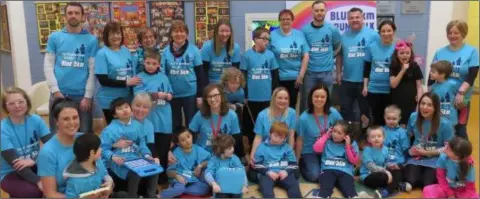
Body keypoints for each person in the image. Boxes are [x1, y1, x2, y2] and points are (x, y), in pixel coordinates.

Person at [38, 98, 113, 198]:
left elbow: (103, 173)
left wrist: (109, 182)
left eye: (75, 117)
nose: (72, 122)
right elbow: (50, 194)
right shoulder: (48, 152)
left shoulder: (86, 140)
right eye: (66, 119)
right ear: (56, 121)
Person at [44, 2, 98, 133]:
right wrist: (55, 91)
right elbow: (48, 66)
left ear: (82, 16)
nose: (73, 16)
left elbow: (92, 70)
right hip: (59, 95)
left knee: (84, 137)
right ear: (65, 16)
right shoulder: (54, 37)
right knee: (57, 135)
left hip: (82, 97)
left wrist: (88, 96)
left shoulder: (91, 40)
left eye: (76, 13)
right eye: (70, 13)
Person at [99, 98, 158, 198]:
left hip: (136, 159)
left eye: (126, 107)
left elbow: (143, 144)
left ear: (131, 109)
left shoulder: (137, 126)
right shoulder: (109, 130)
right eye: (120, 109)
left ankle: (151, 195)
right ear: (114, 115)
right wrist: (113, 157)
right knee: (135, 173)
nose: (125, 110)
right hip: (120, 162)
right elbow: (102, 149)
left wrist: (147, 154)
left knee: (155, 167)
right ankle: (132, 196)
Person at [431, 20, 479, 139]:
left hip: (461, 99)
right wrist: (429, 95)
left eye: (456, 33)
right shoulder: (440, 52)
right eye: (450, 33)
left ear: (463, 33)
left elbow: (472, 75)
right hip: (441, 99)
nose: (452, 36)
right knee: (441, 128)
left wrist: (461, 92)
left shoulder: (471, 51)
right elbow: (432, 75)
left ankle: (464, 156)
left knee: (460, 129)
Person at [1, 87, 52, 198]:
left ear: (27, 102)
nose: (17, 106)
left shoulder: (36, 120)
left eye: (20, 101)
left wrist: (35, 160)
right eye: (11, 103)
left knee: (58, 181)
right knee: (34, 192)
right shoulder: (2, 129)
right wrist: (38, 181)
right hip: (11, 172)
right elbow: (15, 164)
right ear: (5, 106)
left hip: (34, 165)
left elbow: (52, 146)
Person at [133, 50, 173, 184]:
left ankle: (162, 177)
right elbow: (138, 96)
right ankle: (147, 179)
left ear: (159, 64)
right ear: (143, 62)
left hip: (164, 119)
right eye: (148, 63)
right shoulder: (139, 77)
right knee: (149, 149)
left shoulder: (164, 77)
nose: (150, 65)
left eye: (154, 63)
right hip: (148, 120)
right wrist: (156, 95)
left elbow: (170, 92)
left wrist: (169, 96)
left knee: (163, 148)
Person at [336, 7, 377, 129]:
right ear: (348, 20)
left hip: (365, 81)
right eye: (351, 18)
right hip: (347, 80)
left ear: (363, 18)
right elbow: (339, 56)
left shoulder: (373, 35)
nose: (354, 20)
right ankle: (348, 137)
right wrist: (338, 73)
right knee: (346, 110)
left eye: (357, 17)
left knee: (365, 112)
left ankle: (365, 138)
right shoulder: (343, 36)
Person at [404, 92, 454, 189]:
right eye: (422, 104)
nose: (424, 107)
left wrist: (428, 152)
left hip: (435, 159)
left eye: (429, 105)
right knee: (410, 180)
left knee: (428, 184)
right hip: (416, 158)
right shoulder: (413, 117)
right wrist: (409, 151)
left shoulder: (445, 124)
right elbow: (407, 136)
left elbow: (448, 148)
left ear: (436, 108)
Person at [240, 27, 280, 147]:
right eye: (264, 38)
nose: (266, 41)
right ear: (255, 39)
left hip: (267, 98)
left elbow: (275, 76)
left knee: (267, 125)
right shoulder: (247, 56)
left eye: (268, 39)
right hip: (252, 98)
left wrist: (274, 94)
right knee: (252, 127)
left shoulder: (270, 55)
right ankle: (253, 150)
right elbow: (243, 77)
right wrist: (245, 95)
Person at [296, 83, 343, 182]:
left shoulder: (333, 113)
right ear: (311, 97)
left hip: (330, 150)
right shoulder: (303, 118)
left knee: (337, 174)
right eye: (316, 96)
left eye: (323, 97)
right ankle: (302, 164)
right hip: (310, 151)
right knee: (315, 176)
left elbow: (343, 130)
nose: (319, 99)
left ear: (327, 98)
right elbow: (300, 139)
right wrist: (295, 161)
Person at [95, 21, 140, 124]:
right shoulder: (102, 54)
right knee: (115, 132)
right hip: (109, 101)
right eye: (111, 34)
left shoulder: (126, 51)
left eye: (118, 33)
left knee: (127, 129)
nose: (115, 36)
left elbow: (131, 73)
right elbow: (103, 80)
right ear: (106, 36)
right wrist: (125, 83)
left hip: (126, 99)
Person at [300, 0, 341, 112]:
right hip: (309, 74)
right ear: (312, 12)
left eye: (322, 10)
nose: (319, 13)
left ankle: (325, 128)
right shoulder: (304, 30)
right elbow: (302, 52)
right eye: (317, 10)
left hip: (327, 73)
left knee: (326, 103)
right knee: (308, 104)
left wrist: (330, 55)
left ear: (326, 11)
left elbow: (338, 47)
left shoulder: (332, 29)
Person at [162, 20, 203, 132]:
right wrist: (166, 92)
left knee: (192, 123)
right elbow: (163, 76)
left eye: (182, 31)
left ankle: (192, 145)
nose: (179, 34)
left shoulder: (194, 50)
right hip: (172, 94)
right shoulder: (165, 52)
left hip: (190, 93)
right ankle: (177, 145)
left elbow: (200, 75)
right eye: (175, 31)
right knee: (175, 123)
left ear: (187, 34)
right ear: (171, 34)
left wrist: (200, 96)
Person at [189, 84, 244, 160]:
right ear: (206, 99)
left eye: (215, 95)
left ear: (222, 96)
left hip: (224, 155)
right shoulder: (199, 115)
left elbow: (237, 138)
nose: (212, 99)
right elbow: (190, 134)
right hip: (203, 155)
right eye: (209, 97)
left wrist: (241, 157)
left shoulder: (232, 115)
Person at [270, 9, 310, 108]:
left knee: (291, 105)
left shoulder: (299, 35)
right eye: (282, 19)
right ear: (279, 21)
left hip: (295, 78)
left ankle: (289, 124)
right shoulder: (272, 35)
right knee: (278, 105)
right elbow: (267, 55)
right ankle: (277, 124)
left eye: (288, 19)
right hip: (277, 77)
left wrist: (301, 76)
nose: (285, 21)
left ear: (292, 20)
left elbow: (306, 55)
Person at [252, 122, 302, 198]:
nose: (277, 139)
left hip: (284, 173)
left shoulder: (287, 148)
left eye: (281, 137)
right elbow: (257, 164)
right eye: (275, 136)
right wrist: (268, 172)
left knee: (294, 186)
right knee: (266, 190)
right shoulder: (261, 147)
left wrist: (286, 171)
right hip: (268, 174)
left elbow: (294, 164)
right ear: (270, 133)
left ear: (285, 138)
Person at [312, 120, 360, 198]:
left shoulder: (352, 144)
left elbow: (354, 161)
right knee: (325, 189)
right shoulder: (327, 141)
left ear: (346, 135)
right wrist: (326, 136)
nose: (335, 135)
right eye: (334, 131)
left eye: (339, 133)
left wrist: (348, 146)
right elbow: (316, 149)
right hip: (328, 169)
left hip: (345, 171)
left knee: (350, 190)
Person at [249, 87, 296, 165]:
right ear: (274, 99)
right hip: (265, 149)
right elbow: (258, 137)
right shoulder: (262, 115)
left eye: (286, 98)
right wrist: (252, 154)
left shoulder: (292, 113)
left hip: (282, 149)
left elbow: (291, 135)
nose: (283, 101)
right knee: (254, 174)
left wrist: (290, 153)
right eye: (280, 98)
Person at [363, 20, 397, 126]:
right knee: (376, 118)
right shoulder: (371, 47)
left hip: (391, 90)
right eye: (383, 31)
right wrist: (365, 86)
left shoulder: (398, 48)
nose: (386, 33)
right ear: (379, 33)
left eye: (389, 30)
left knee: (390, 119)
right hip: (374, 89)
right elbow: (367, 68)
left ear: (394, 32)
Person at [161, 127, 211, 198]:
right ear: (178, 143)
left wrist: (200, 165)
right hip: (179, 179)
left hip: (193, 180)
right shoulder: (176, 153)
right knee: (179, 187)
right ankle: (160, 196)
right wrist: (177, 176)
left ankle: (176, 191)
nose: (187, 141)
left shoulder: (197, 149)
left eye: (188, 136)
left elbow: (211, 160)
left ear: (191, 135)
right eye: (183, 140)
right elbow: (169, 172)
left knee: (205, 188)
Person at [64, 134, 113, 198]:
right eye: (99, 147)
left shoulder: (98, 161)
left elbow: (104, 173)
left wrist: (109, 180)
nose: (101, 149)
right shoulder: (74, 181)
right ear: (92, 152)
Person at [389, 40, 424, 127]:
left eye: (407, 53)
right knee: (398, 125)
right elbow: (393, 84)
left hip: (411, 102)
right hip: (397, 101)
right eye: (402, 53)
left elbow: (419, 86)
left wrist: (419, 102)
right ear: (397, 54)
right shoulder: (393, 66)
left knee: (411, 125)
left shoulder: (415, 66)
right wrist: (403, 70)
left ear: (411, 54)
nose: (405, 55)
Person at [201, 19, 241, 85]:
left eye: (227, 31)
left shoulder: (235, 47)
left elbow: (235, 71)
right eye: (222, 31)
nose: (225, 34)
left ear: (231, 32)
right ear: (216, 32)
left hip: (229, 84)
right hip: (212, 85)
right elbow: (204, 72)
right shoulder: (207, 46)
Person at [382, 105, 412, 192]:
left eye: (394, 119)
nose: (391, 121)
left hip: (397, 164)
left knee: (397, 175)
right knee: (382, 176)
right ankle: (399, 186)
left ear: (399, 118)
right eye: (388, 118)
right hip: (383, 164)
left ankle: (386, 192)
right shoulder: (381, 131)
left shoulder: (403, 133)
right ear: (384, 117)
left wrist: (402, 164)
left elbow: (406, 151)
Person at [429, 60, 461, 134]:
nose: (430, 73)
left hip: (450, 118)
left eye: (433, 72)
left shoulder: (453, 84)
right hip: (437, 119)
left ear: (442, 74)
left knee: (450, 137)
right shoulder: (433, 87)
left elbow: (461, 95)